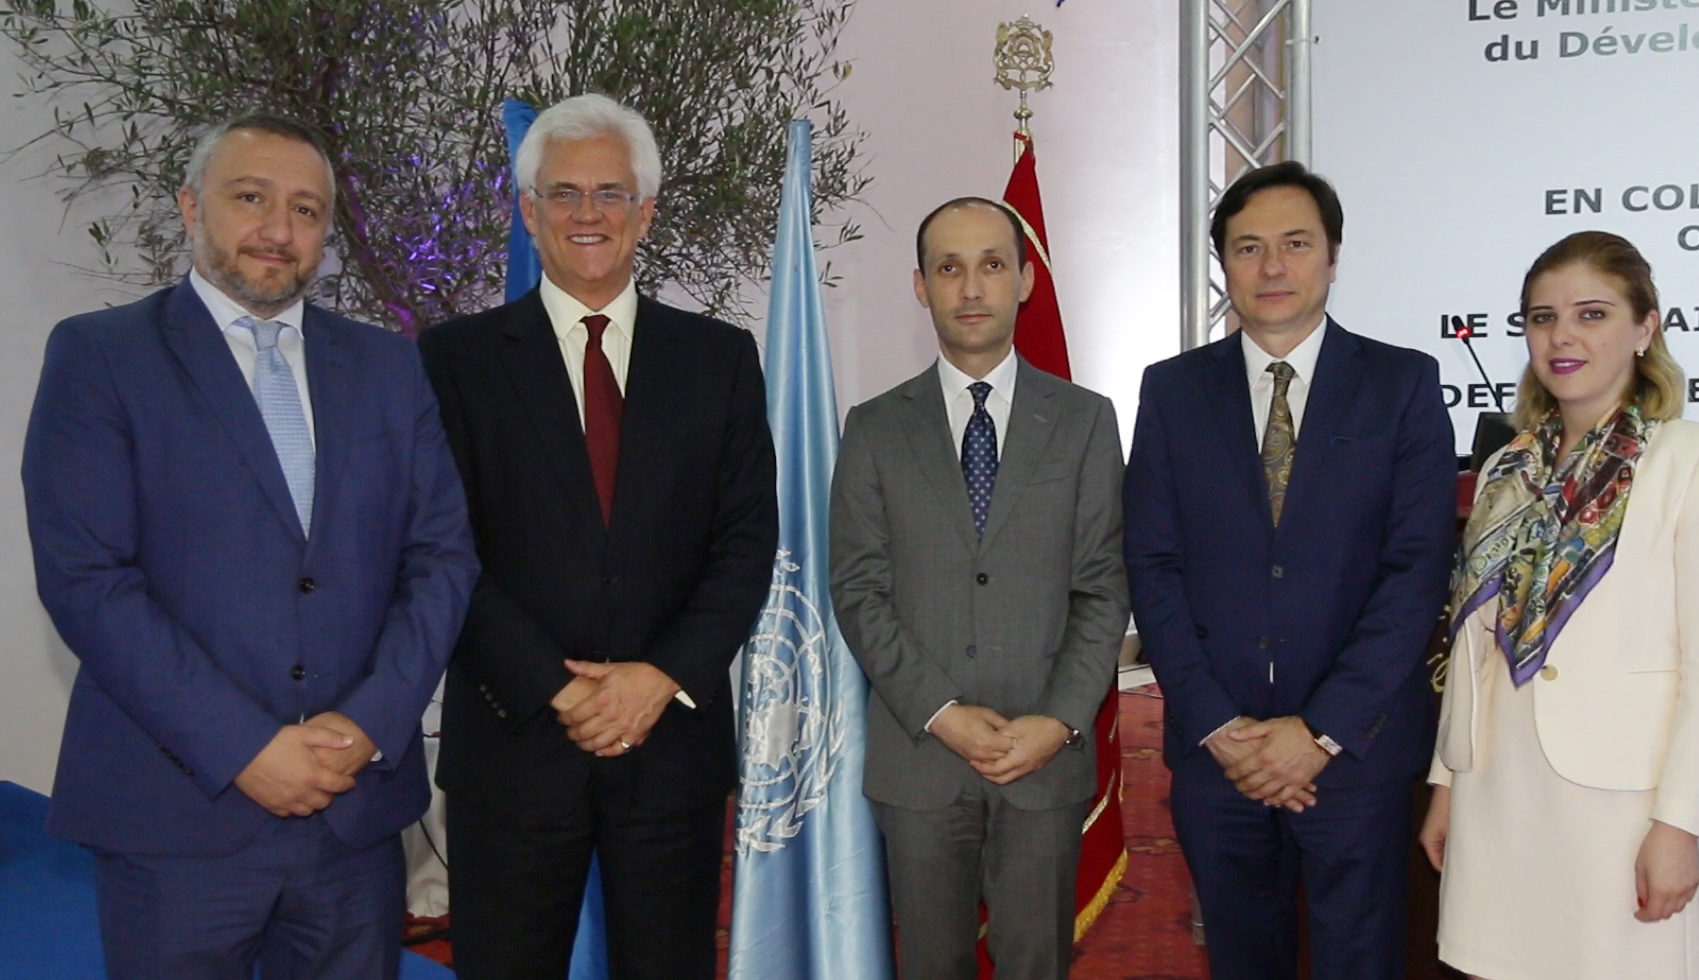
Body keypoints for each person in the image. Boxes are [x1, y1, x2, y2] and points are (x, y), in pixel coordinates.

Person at [20, 112, 480, 979]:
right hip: (176, 818)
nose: (278, 228)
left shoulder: (388, 368)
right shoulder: (101, 356)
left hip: (352, 817)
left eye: (306, 210)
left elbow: (442, 559)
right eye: (250, 197)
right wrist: (244, 748)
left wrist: (371, 723)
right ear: (191, 207)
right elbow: (87, 579)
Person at [416, 93, 778, 980]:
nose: (589, 213)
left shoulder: (720, 359)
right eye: (564, 193)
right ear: (527, 210)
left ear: (644, 212)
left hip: (670, 751)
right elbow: (441, 548)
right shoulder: (453, 360)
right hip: (513, 745)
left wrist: (659, 678)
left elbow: (744, 544)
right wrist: (559, 689)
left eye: (611, 193)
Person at [1122, 161, 1456, 980]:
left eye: (1296, 244)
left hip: (1355, 752)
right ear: (1224, 265)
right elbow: (1152, 566)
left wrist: (1319, 731)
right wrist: (1218, 727)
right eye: (1248, 248)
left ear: (1333, 256)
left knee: (1359, 962)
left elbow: (1416, 571)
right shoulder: (1172, 390)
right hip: (1220, 754)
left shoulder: (1402, 383)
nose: (1272, 266)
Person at [1418, 231, 1699, 980]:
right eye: (1542, 317)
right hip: (1496, 792)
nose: (1562, 336)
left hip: (1619, 805)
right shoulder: (1506, 466)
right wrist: (1447, 781)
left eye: (1592, 314)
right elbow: (1473, 648)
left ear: (1645, 328)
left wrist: (1678, 825)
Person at [829, 197, 1130, 980]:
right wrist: (942, 712)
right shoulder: (874, 427)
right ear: (921, 286)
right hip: (920, 758)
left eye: (992, 265)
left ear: (1025, 281)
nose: (971, 288)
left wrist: (1058, 721)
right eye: (949, 268)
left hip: (1044, 758)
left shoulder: (1085, 421)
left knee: (1036, 964)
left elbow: (1103, 588)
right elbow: (859, 589)